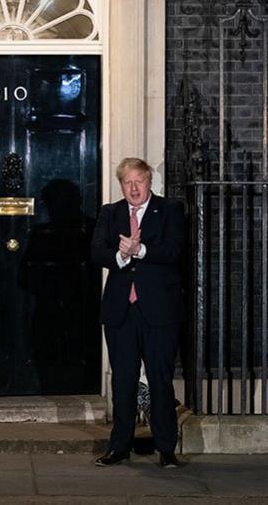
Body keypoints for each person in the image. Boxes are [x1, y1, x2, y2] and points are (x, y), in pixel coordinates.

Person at [90, 157, 185, 468]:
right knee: (123, 381)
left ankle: (166, 448)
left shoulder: (169, 210)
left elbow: (175, 251)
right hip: (121, 311)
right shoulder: (111, 212)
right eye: (127, 182)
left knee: (159, 379)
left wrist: (140, 251)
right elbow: (96, 251)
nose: (133, 188)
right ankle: (119, 447)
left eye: (138, 181)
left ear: (149, 182)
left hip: (158, 310)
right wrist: (120, 255)